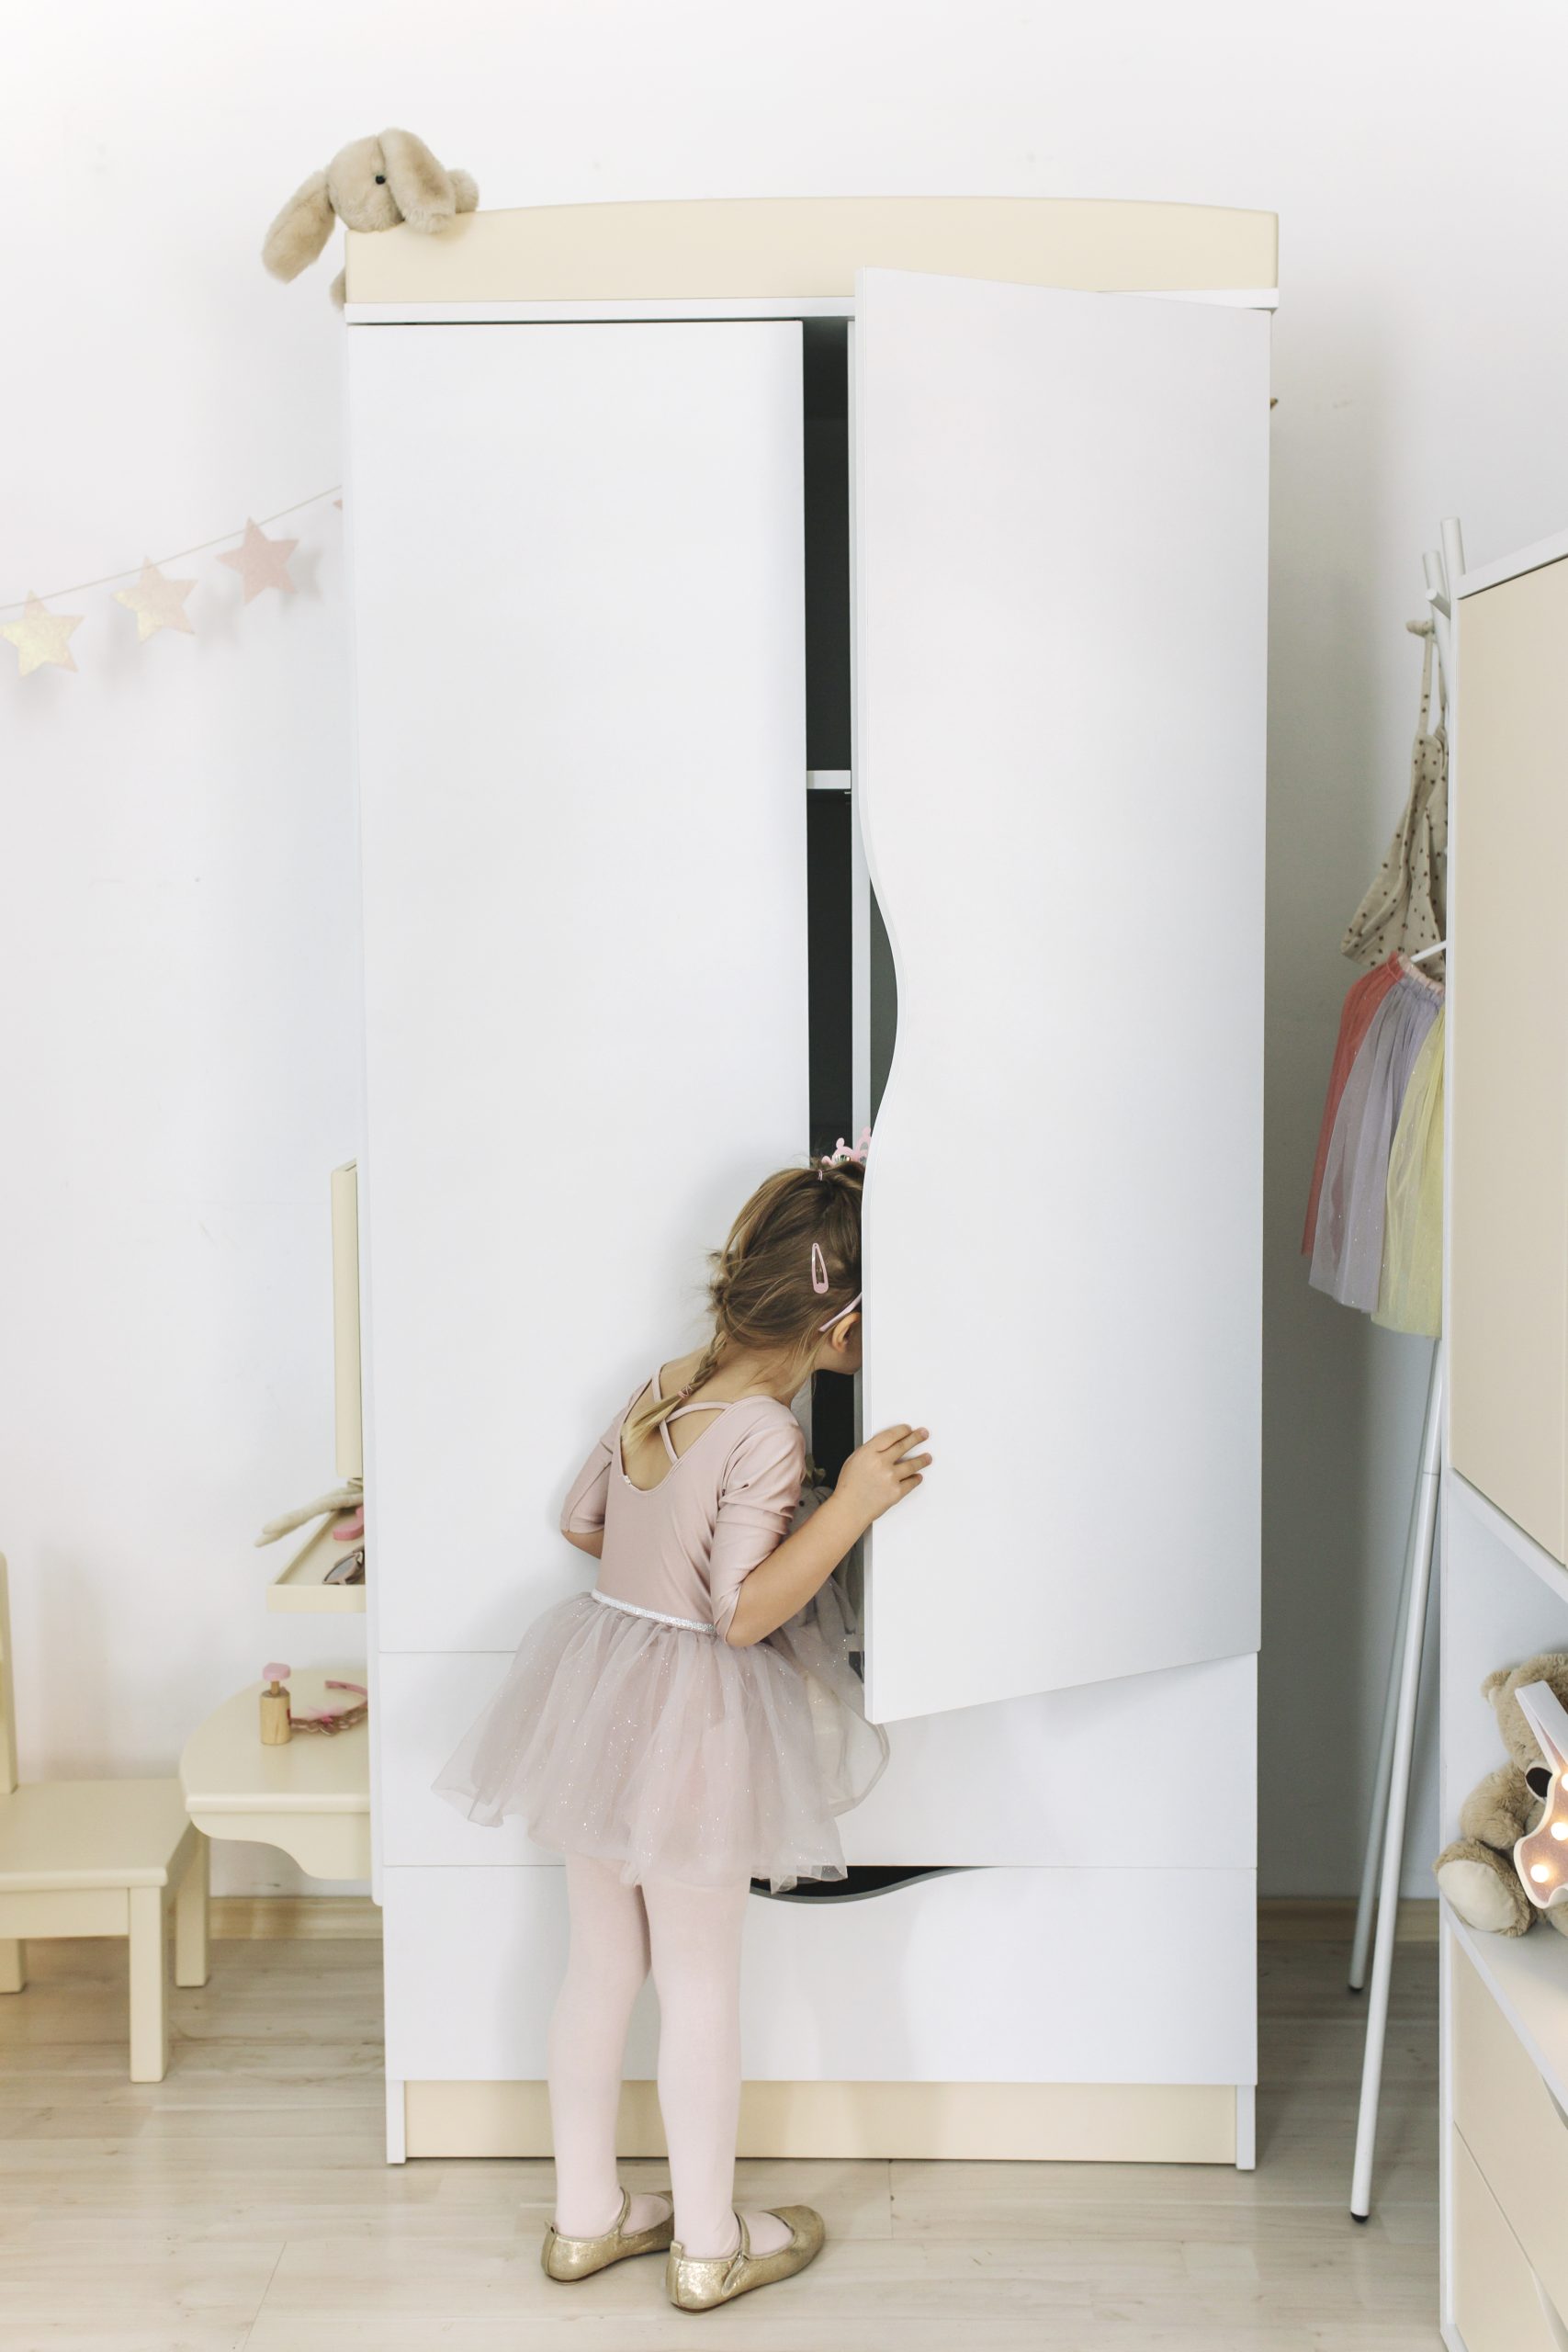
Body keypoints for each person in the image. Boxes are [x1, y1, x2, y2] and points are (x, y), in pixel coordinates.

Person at [433, 1141, 931, 2312]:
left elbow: (581, 1521)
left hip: (600, 1691)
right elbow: (742, 1613)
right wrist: (851, 1503)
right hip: (694, 1717)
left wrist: (665, 1562)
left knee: (600, 1966)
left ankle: (585, 2217)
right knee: (699, 1981)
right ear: (845, 1323)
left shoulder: (668, 1382)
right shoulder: (769, 1433)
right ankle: (710, 2243)